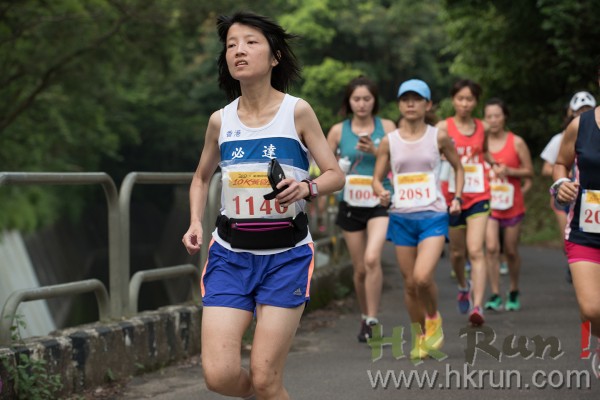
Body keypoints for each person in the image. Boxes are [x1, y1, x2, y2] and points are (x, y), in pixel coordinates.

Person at [181, 12, 344, 400]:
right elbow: (201, 177)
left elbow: (335, 174)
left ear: (275, 57)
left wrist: (306, 188)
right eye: (231, 44)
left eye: (251, 42)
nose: (239, 50)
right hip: (230, 256)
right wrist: (195, 222)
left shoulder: (296, 112)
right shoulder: (220, 121)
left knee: (267, 378)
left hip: (286, 256)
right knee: (219, 377)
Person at [372, 79, 464, 359]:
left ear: (428, 104)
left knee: (423, 277)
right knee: (410, 283)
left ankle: (433, 317)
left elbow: (459, 168)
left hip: (433, 214)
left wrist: (457, 197)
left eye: (416, 99)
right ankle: (421, 335)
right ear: (399, 104)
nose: (410, 104)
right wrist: (381, 193)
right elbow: (377, 178)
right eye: (405, 99)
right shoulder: (390, 141)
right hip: (401, 217)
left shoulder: (439, 137)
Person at [326, 76, 396, 342]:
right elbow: (324, 165)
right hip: (351, 202)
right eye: (356, 99)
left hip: (379, 199)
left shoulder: (387, 127)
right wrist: (337, 165)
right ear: (349, 101)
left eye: (367, 98)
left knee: (372, 258)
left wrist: (377, 150)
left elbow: (400, 161)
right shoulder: (337, 131)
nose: (362, 104)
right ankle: (365, 317)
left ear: (375, 101)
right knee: (359, 268)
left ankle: (373, 318)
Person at [552, 65, 600, 374]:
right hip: (586, 230)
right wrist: (561, 184)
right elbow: (561, 163)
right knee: (591, 308)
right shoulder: (580, 125)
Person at [437, 79, 496, 326]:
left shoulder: (483, 127)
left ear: (476, 102)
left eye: (469, 99)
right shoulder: (443, 127)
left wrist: (496, 165)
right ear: (453, 100)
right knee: (457, 253)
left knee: (476, 250)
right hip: (451, 197)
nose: (464, 104)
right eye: (460, 98)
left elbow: (484, 152)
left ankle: (478, 306)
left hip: (479, 194)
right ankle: (463, 286)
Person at [483, 98, 533, 312]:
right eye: (489, 116)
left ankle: (513, 289)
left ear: (504, 117)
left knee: (511, 250)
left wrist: (510, 171)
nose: (493, 120)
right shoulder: (481, 144)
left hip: (513, 204)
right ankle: (495, 293)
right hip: (489, 204)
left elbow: (529, 172)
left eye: (497, 115)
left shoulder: (517, 142)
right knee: (491, 248)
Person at [540, 91, 596, 283]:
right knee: (568, 237)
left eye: (587, 109)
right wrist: (563, 182)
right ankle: (576, 265)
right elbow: (550, 167)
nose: (583, 113)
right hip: (573, 199)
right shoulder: (564, 136)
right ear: (571, 112)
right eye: (580, 110)